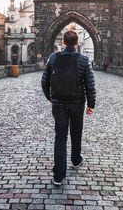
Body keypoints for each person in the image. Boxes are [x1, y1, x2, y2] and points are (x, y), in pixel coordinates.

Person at [41, 30, 96, 186]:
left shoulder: (53, 57)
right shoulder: (84, 60)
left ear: (63, 43)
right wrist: (91, 104)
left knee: (60, 138)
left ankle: (58, 175)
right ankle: (76, 159)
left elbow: (44, 81)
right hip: (77, 103)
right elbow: (90, 85)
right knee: (76, 132)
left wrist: (50, 97)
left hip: (58, 103)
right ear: (77, 43)